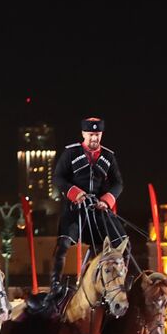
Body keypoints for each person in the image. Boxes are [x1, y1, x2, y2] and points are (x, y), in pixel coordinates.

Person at [45, 117, 125, 305]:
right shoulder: (70, 153)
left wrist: (106, 200)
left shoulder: (108, 156)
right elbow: (58, 178)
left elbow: (118, 183)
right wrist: (75, 193)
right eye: (90, 134)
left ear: (101, 135)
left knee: (122, 243)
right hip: (75, 209)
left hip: (98, 209)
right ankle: (55, 284)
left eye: (97, 135)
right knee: (63, 245)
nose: (94, 138)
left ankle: (117, 284)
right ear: (83, 134)